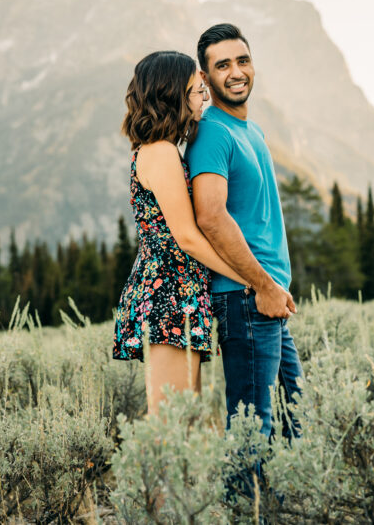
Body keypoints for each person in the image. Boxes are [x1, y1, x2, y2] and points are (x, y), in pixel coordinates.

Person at [111, 50, 248, 415]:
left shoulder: (163, 149)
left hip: (179, 294)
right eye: (197, 91)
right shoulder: (160, 152)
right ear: (172, 95)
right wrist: (244, 276)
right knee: (171, 426)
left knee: (185, 421)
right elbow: (185, 236)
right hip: (168, 295)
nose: (204, 98)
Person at [186, 23, 304, 442]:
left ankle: (282, 491)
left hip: (267, 298)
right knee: (253, 431)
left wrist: (273, 288)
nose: (236, 72)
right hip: (246, 298)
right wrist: (264, 285)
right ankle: (244, 490)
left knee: (296, 420)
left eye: (243, 61)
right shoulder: (211, 134)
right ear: (205, 77)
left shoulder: (252, 131)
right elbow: (211, 216)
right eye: (223, 65)